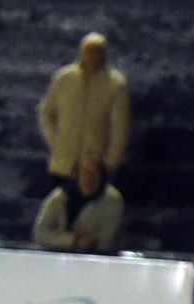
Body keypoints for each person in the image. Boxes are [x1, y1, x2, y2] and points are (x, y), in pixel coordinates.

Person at [37, 32, 129, 189]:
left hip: (95, 167)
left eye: (97, 52)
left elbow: (120, 129)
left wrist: (110, 162)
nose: (93, 57)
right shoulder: (64, 78)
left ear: (104, 54)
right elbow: (46, 113)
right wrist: (56, 142)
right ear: (81, 52)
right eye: (89, 52)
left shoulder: (115, 84)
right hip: (62, 164)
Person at [32, 154, 122, 253]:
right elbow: (40, 233)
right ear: (77, 175)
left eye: (94, 173)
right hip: (58, 255)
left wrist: (89, 243)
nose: (89, 177)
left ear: (102, 177)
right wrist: (73, 240)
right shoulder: (60, 197)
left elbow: (107, 240)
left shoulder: (112, 200)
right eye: (85, 172)